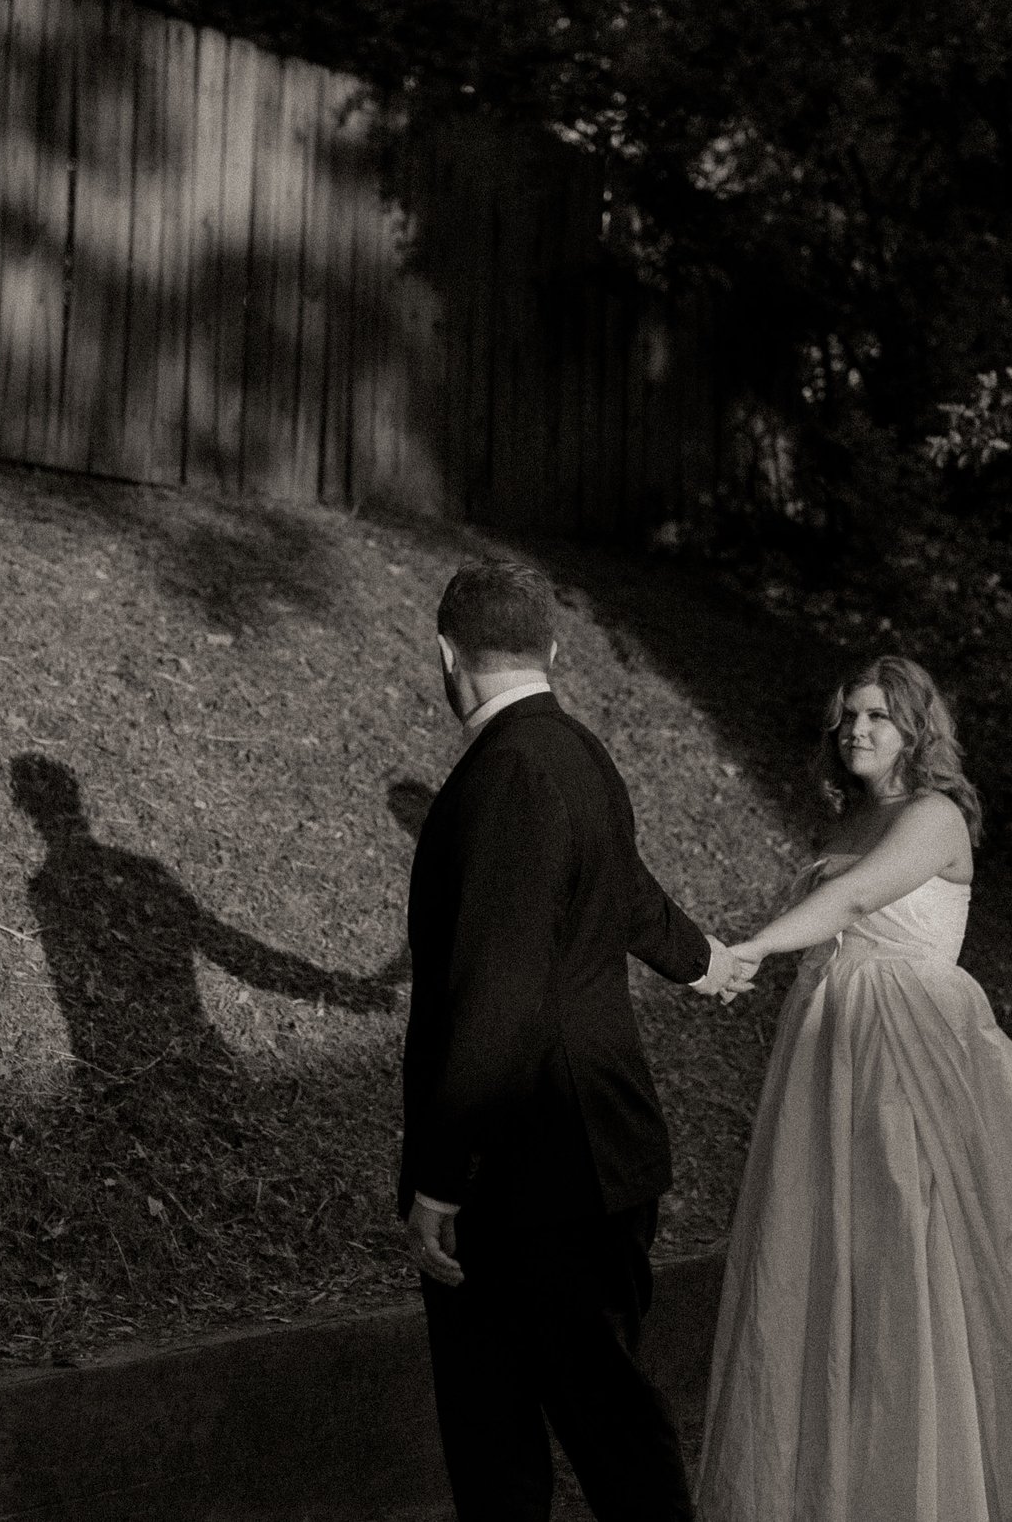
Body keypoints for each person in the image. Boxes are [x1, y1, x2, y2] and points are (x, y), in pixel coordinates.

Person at [697, 656, 1012, 1522]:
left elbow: (852, 900)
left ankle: (933, 1476)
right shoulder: (856, 811)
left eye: (877, 715)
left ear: (918, 727)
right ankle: (836, 1473)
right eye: (847, 716)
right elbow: (830, 912)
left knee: (910, 1247)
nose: (857, 730)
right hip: (829, 1041)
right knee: (825, 1246)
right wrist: (754, 955)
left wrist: (751, 950)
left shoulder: (933, 813)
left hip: (908, 1047)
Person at [399, 557, 753, 1522]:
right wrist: (704, 959)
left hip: (530, 1174)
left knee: (531, 1427)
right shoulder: (578, 751)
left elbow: (497, 997)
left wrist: (439, 1175)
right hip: (592, 1159)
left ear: (446, 654)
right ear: (553, 650)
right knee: (587, 1415)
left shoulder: (506, 770)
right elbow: (626, 886)